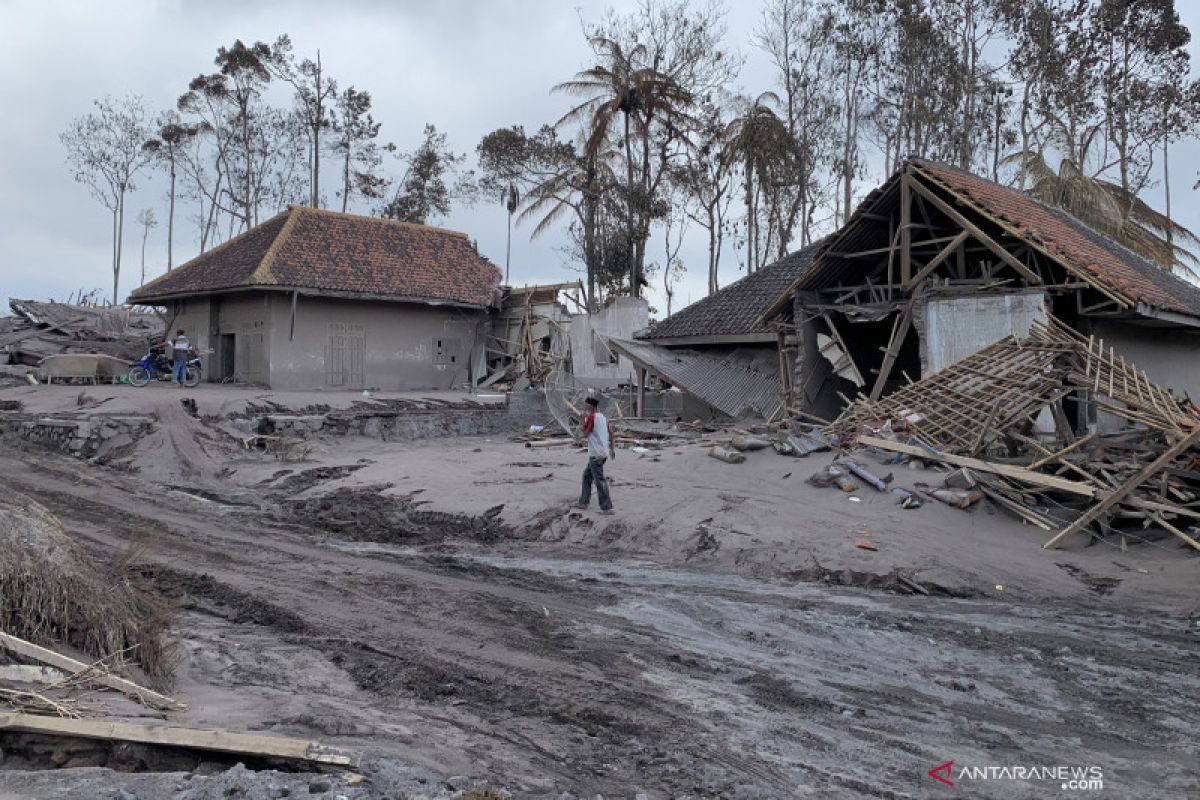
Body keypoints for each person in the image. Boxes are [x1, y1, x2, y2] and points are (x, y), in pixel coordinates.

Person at [576, 396, 615, 514]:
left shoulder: (592, 417)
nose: (584, 407)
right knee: (587, 475)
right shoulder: (603, 417)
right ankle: (583, 502)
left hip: (596, 454)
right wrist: (612, 449)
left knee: (599, 480)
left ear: (589, 406)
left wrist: (582, 420)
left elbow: (585, 434)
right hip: (603, 453)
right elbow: (612, 433)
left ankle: (607, 507)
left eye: (585, 405)